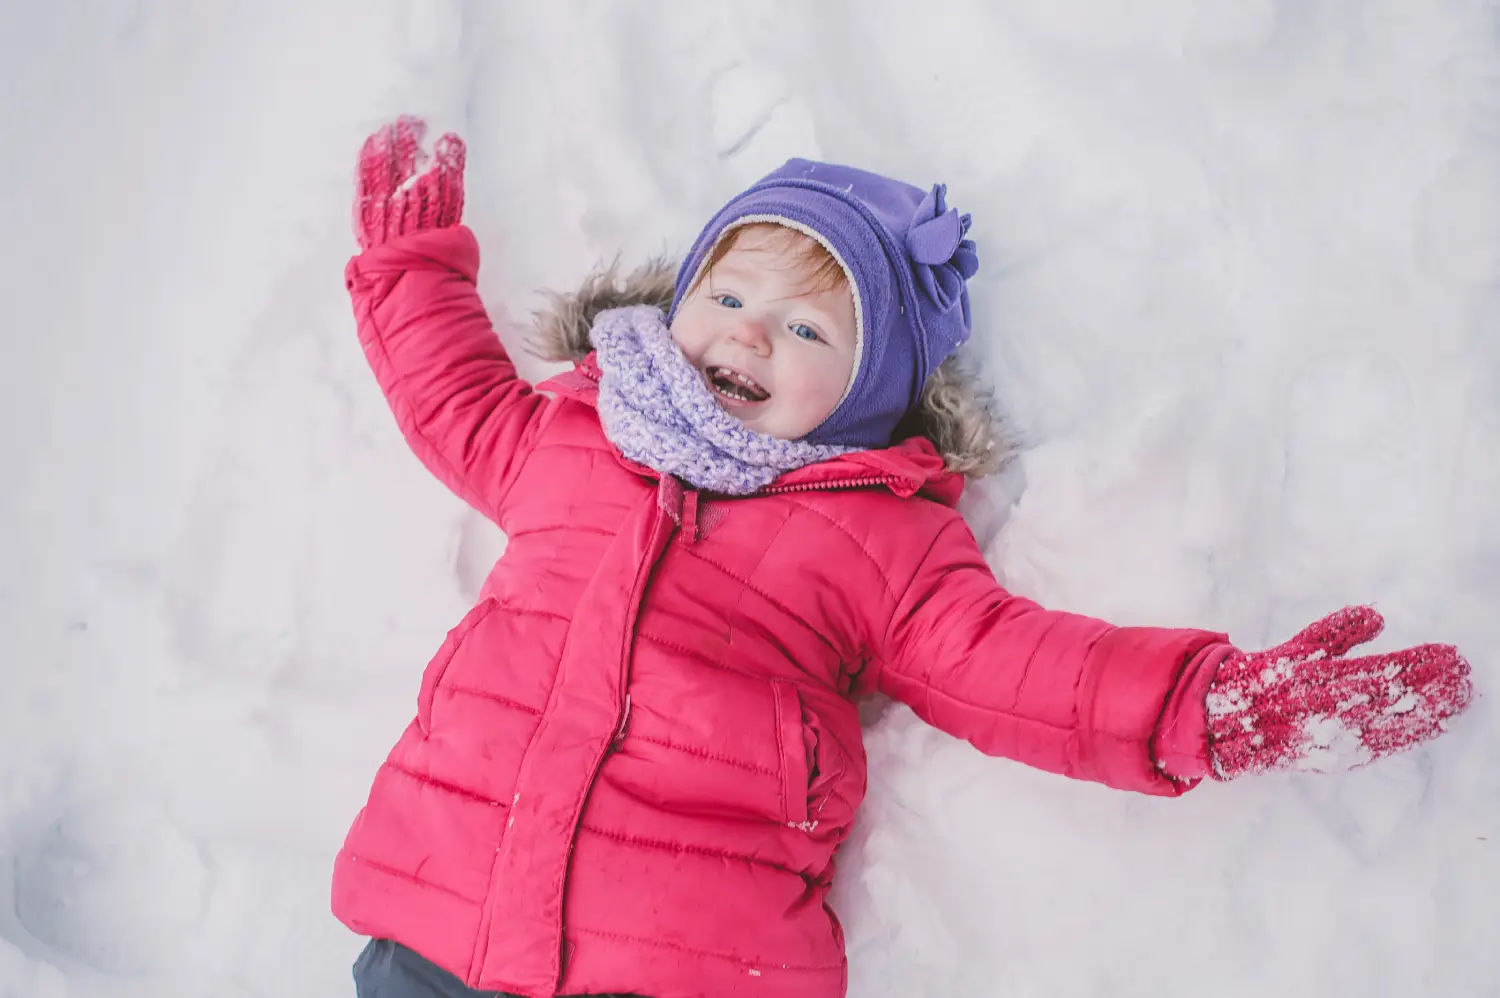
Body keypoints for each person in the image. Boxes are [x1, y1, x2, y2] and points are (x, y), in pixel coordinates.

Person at [332, 117, 1474, 998]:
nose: (747, 330)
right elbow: (454, 397)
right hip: (438, 923)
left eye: (806, 328)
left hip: (679, 958)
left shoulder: (877, 532)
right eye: (728, 294)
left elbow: (1015, 668)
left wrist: (1204, 706)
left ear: (870, 399)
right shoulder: (576, 433)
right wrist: (408, 264)